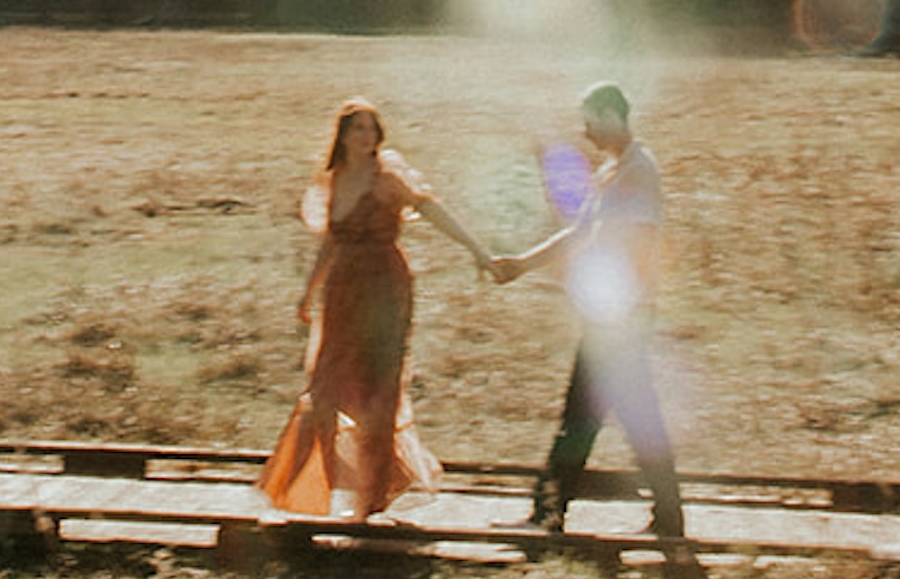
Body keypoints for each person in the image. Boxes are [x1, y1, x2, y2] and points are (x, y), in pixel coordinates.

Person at [259, 97, 496, 520]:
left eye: (372, 129)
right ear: (343, 136)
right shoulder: (333, 180)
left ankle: (374, 496)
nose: (367, 137)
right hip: (342, 290)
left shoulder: (387, 178)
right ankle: (304, 491)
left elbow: (431, 208)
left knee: (377, 391)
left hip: (386, 287)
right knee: (325, 389)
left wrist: (477, 250)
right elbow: (330, 241)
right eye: (358, 129)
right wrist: (307, 292)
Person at [490, 82, 688, 542]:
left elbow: (641, 239)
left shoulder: (638, 171)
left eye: (590, 121)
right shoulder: (613, 171)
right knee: (614, 416)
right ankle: (663, 515)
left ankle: (550, 512)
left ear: (613, 116)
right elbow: (579, 233)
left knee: (588, 416)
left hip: (622, 316)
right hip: (614, 313)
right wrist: (521, 264)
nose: (585, 132)